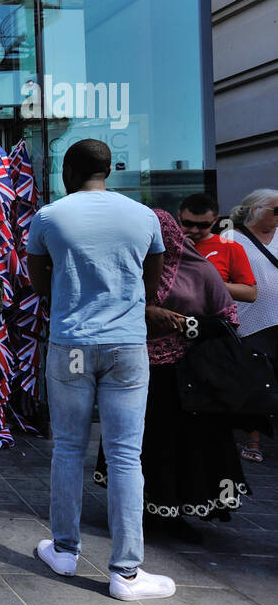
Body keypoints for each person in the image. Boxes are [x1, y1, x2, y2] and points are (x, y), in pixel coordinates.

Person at [26, 138, 175, 601]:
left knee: (68, 448)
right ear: (109, 169)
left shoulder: (50, 216)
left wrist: (75, 297)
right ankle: (126, 573)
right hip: (127, 345)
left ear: (70, 169)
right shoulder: (144, 216)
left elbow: (39, 281)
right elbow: (152, 285)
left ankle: (65, 551)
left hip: (71, 343)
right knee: (126, 456)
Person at [96, 210, 250, 543]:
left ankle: (172, 508)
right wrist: (144, 313)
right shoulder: (128, 268)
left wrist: (183, 324)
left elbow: (228, 321)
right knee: (142, 443)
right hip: (134, 367)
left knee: (178, 446)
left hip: (185, 376)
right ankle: (138, 507)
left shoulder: (202, 272)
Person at [229, 188, 278, 463]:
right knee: (256, 380)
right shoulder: (231, 239)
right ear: (257, 210)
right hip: (251, 318)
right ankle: (253, 438)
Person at [178, 194, 256, 303]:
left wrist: (210, 283)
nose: (194, 230)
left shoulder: (229, 247)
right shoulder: (166, 244)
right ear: (179, 216)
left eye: (203, 225)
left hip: (210, 317)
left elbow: (250, 294)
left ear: (215, 220)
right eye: (188, 224)